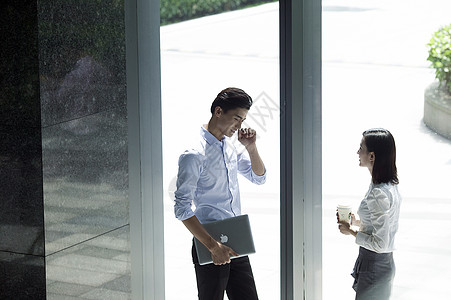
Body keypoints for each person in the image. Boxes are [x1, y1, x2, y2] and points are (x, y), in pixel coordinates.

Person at [174, 87, 266, 300]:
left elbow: (258, 177)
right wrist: (213, 246)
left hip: (236, 239)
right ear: (218, 111)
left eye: (242, 120)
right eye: (236, 118)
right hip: (209, 242)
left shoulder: (229, 147)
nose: (239, 126)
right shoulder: (194, 154)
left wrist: (251, 148)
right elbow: (181, 208)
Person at [337, 128, 402, 300]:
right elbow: (381, 225)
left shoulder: (378, 193)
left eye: (361, 148)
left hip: (374, 266)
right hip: (380, 265)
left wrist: (350, 231)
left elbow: (380, 244)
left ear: (372, 156)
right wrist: (356, 221)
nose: (357, 152)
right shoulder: (387, 185)